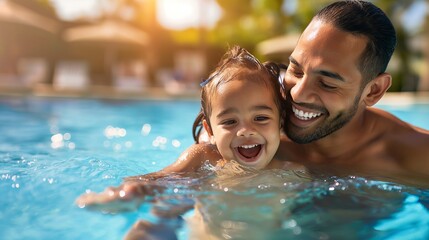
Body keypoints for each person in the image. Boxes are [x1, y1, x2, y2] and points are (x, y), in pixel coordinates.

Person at [76, 46, 298, 239]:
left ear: (280, 122)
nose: (246, 131)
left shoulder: (292, 161)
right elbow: (162, 178)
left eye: (260, 118)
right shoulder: (205, 156)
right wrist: (128, 192)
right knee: (162, 216)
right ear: (210, 130)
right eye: (230, 122)